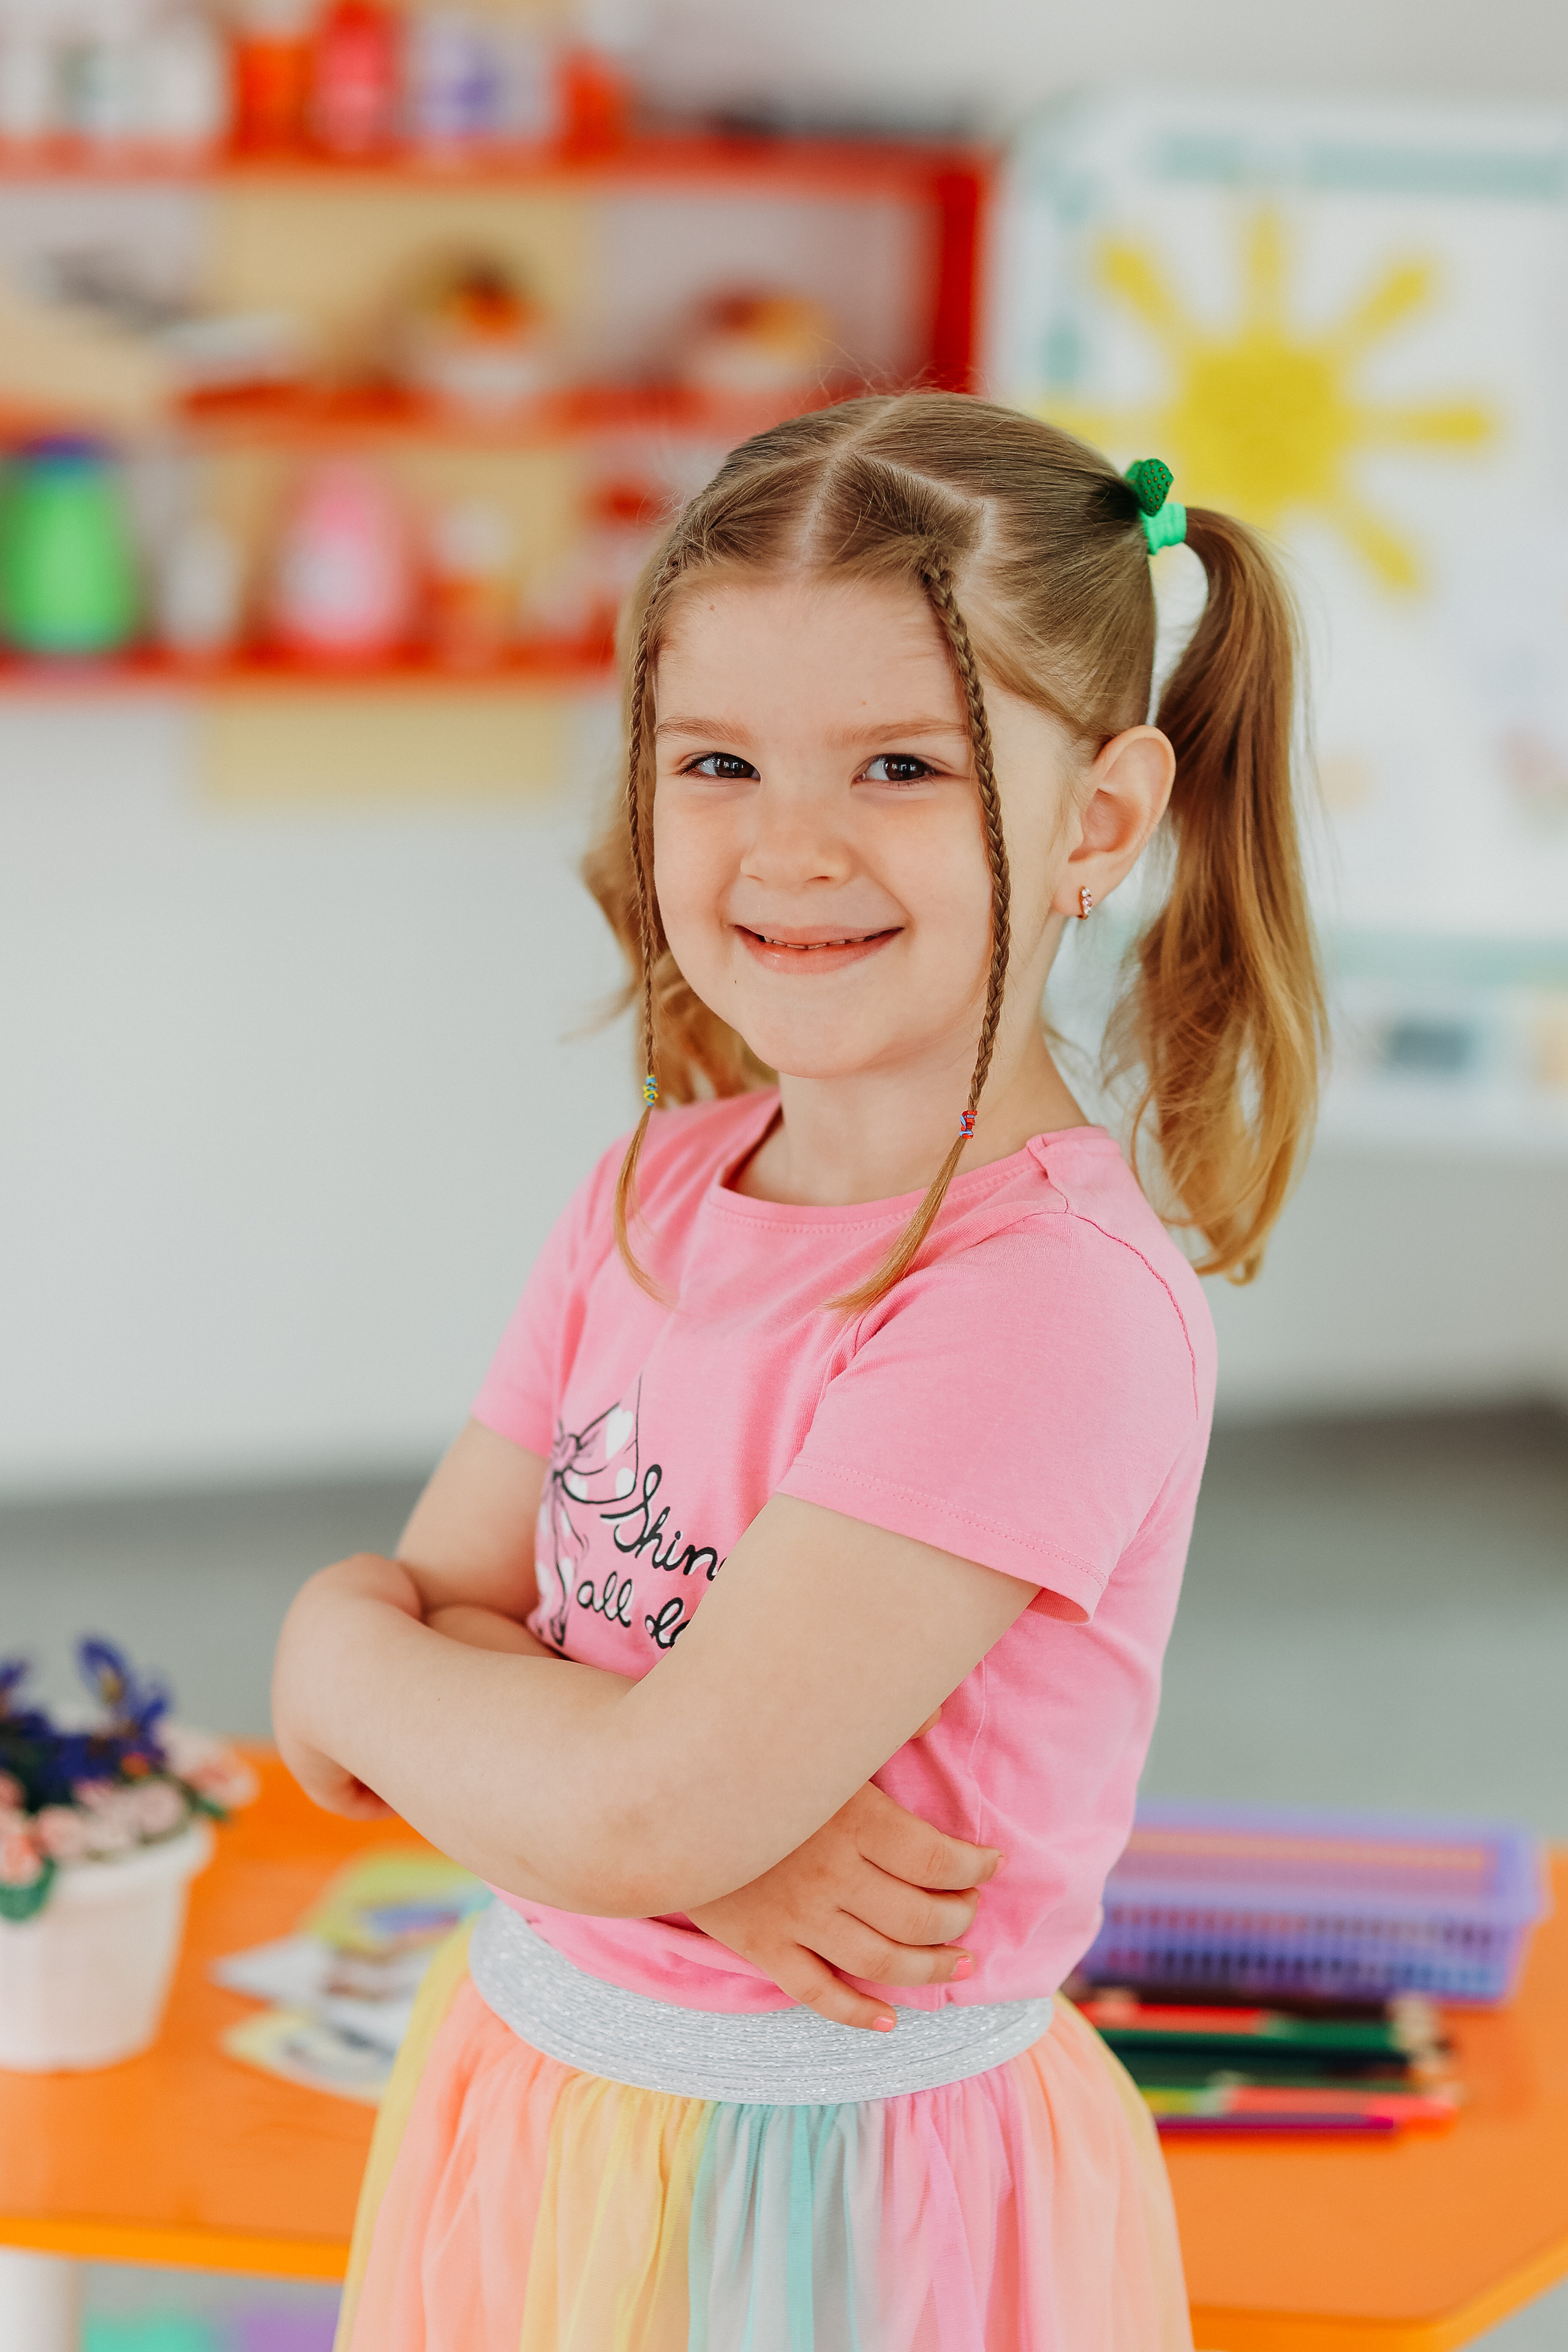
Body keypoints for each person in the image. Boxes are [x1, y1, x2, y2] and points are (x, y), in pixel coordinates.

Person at [273, 392, 1325, 2351]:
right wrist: (395, 1672)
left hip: (836, 2204)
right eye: (722, 759)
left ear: (1097, 819)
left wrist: (396, 1681)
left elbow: (529, 1753)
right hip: (543, 2096)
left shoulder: (1041, 1304)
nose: (789, 844)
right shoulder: (651, 1189)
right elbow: (427, 1639)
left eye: (903, 765)